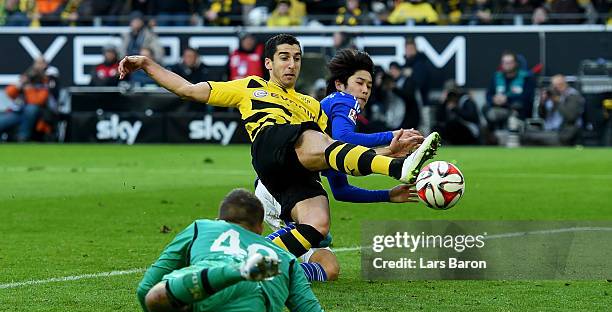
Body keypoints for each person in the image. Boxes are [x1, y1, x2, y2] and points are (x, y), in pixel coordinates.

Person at [118, 33, 439, 264]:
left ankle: (252, 262)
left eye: (297, 58)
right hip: (270, 146)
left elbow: (334, 157)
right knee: (313, 137)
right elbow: (187, 89)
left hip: (297, 168)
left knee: (318, 224)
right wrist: (147, 64)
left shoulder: (311, 104)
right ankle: (401, 168)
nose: (292, 64)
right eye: (284, 57)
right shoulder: (251, 87)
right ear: (269, 63)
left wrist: (383, 153)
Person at [256, 49, 427, 282]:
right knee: (318, 231)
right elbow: (344, 139)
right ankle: (244, 257)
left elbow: (341, 190)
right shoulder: (344, 101)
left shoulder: (331, 116)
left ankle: (276, 274)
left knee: (330, 269)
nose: (365, 90)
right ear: (340, 84)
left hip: (283, 190)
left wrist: (388, 195)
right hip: (282, 189)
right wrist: (392, 135)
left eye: (369, 85)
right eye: (359, 82)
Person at [108, 188, 328, 312]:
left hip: (204, 291)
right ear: (259, 228)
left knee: (156, 295)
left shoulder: (202, 227)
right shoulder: (285, 258)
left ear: (219, 219)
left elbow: (144, 289)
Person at [483, 50, 535, 144]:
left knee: (517, 106)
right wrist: (494, 99)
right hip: (499, 109)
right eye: (504, 62)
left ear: (515, 63)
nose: (507, 65)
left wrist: (507, 100)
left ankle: (515, 135)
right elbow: (488, 95)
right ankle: (492, 138)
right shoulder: (496, 77)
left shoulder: (526, 77)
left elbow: (528, 97)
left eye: (510, 62)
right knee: (486, 108)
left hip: (518, 111)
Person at [523, 74, 584, 145]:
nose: (557, 88)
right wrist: (542, 103)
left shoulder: (573, 96)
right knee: (527, 132)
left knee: (531, 137)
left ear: (566, 84)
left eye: (560, 85)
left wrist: (557, 101)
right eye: (554, 85)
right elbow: (542, 116)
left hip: (565, 133)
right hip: (549, 130)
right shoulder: (552, 96)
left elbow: (571, 116)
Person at [0, 57, 50, 142]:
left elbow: (38, 101)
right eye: (37, 63)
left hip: (37, 114)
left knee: (31, 109)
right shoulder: (27, 78)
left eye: (41, 64)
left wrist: (29, 89)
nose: (38, 67)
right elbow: (9, 93)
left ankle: (23, 136)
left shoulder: (45, 81)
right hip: (18, 112)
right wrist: (20, 84)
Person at [433, 80, 481, 145]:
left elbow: (472, 117)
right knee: (437, 127)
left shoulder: (465, 100)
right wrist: (442, 104)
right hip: (453, 130)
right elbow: (439, 119)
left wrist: (456, 109)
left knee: (453, 124)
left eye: (454, 93)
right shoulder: (446, 102)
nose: (452, 97)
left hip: (469, 130)